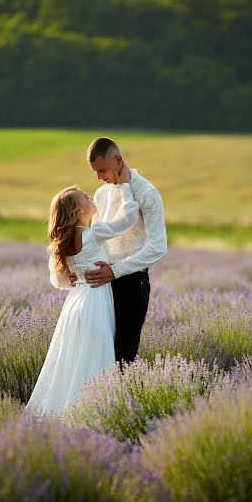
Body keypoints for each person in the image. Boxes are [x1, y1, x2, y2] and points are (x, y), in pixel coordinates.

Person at [25, 164, 139, 417]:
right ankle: (91, 416)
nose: (91, 197)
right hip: (95, 301)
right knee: (94, 358)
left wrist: (74, 279)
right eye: (86, 197)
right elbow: (129, 219)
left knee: (72, 358)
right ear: (80, 209)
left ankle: (66, 413)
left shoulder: (62, 242)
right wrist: (126, 187)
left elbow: (59, 280)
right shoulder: (92, 232)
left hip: (75, 303)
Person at [69, 136, 167, 370]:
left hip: (132, 283)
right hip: (99, 285)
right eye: (94, 171)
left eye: (102, 169)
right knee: (97, 353)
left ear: (119, 160)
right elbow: (95, 240)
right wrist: (76, 269)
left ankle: (119, 404)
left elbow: (157, 247)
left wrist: (116, 271)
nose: (98, 177)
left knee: (124, 355)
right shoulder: (101, 194)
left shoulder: (146, 192)